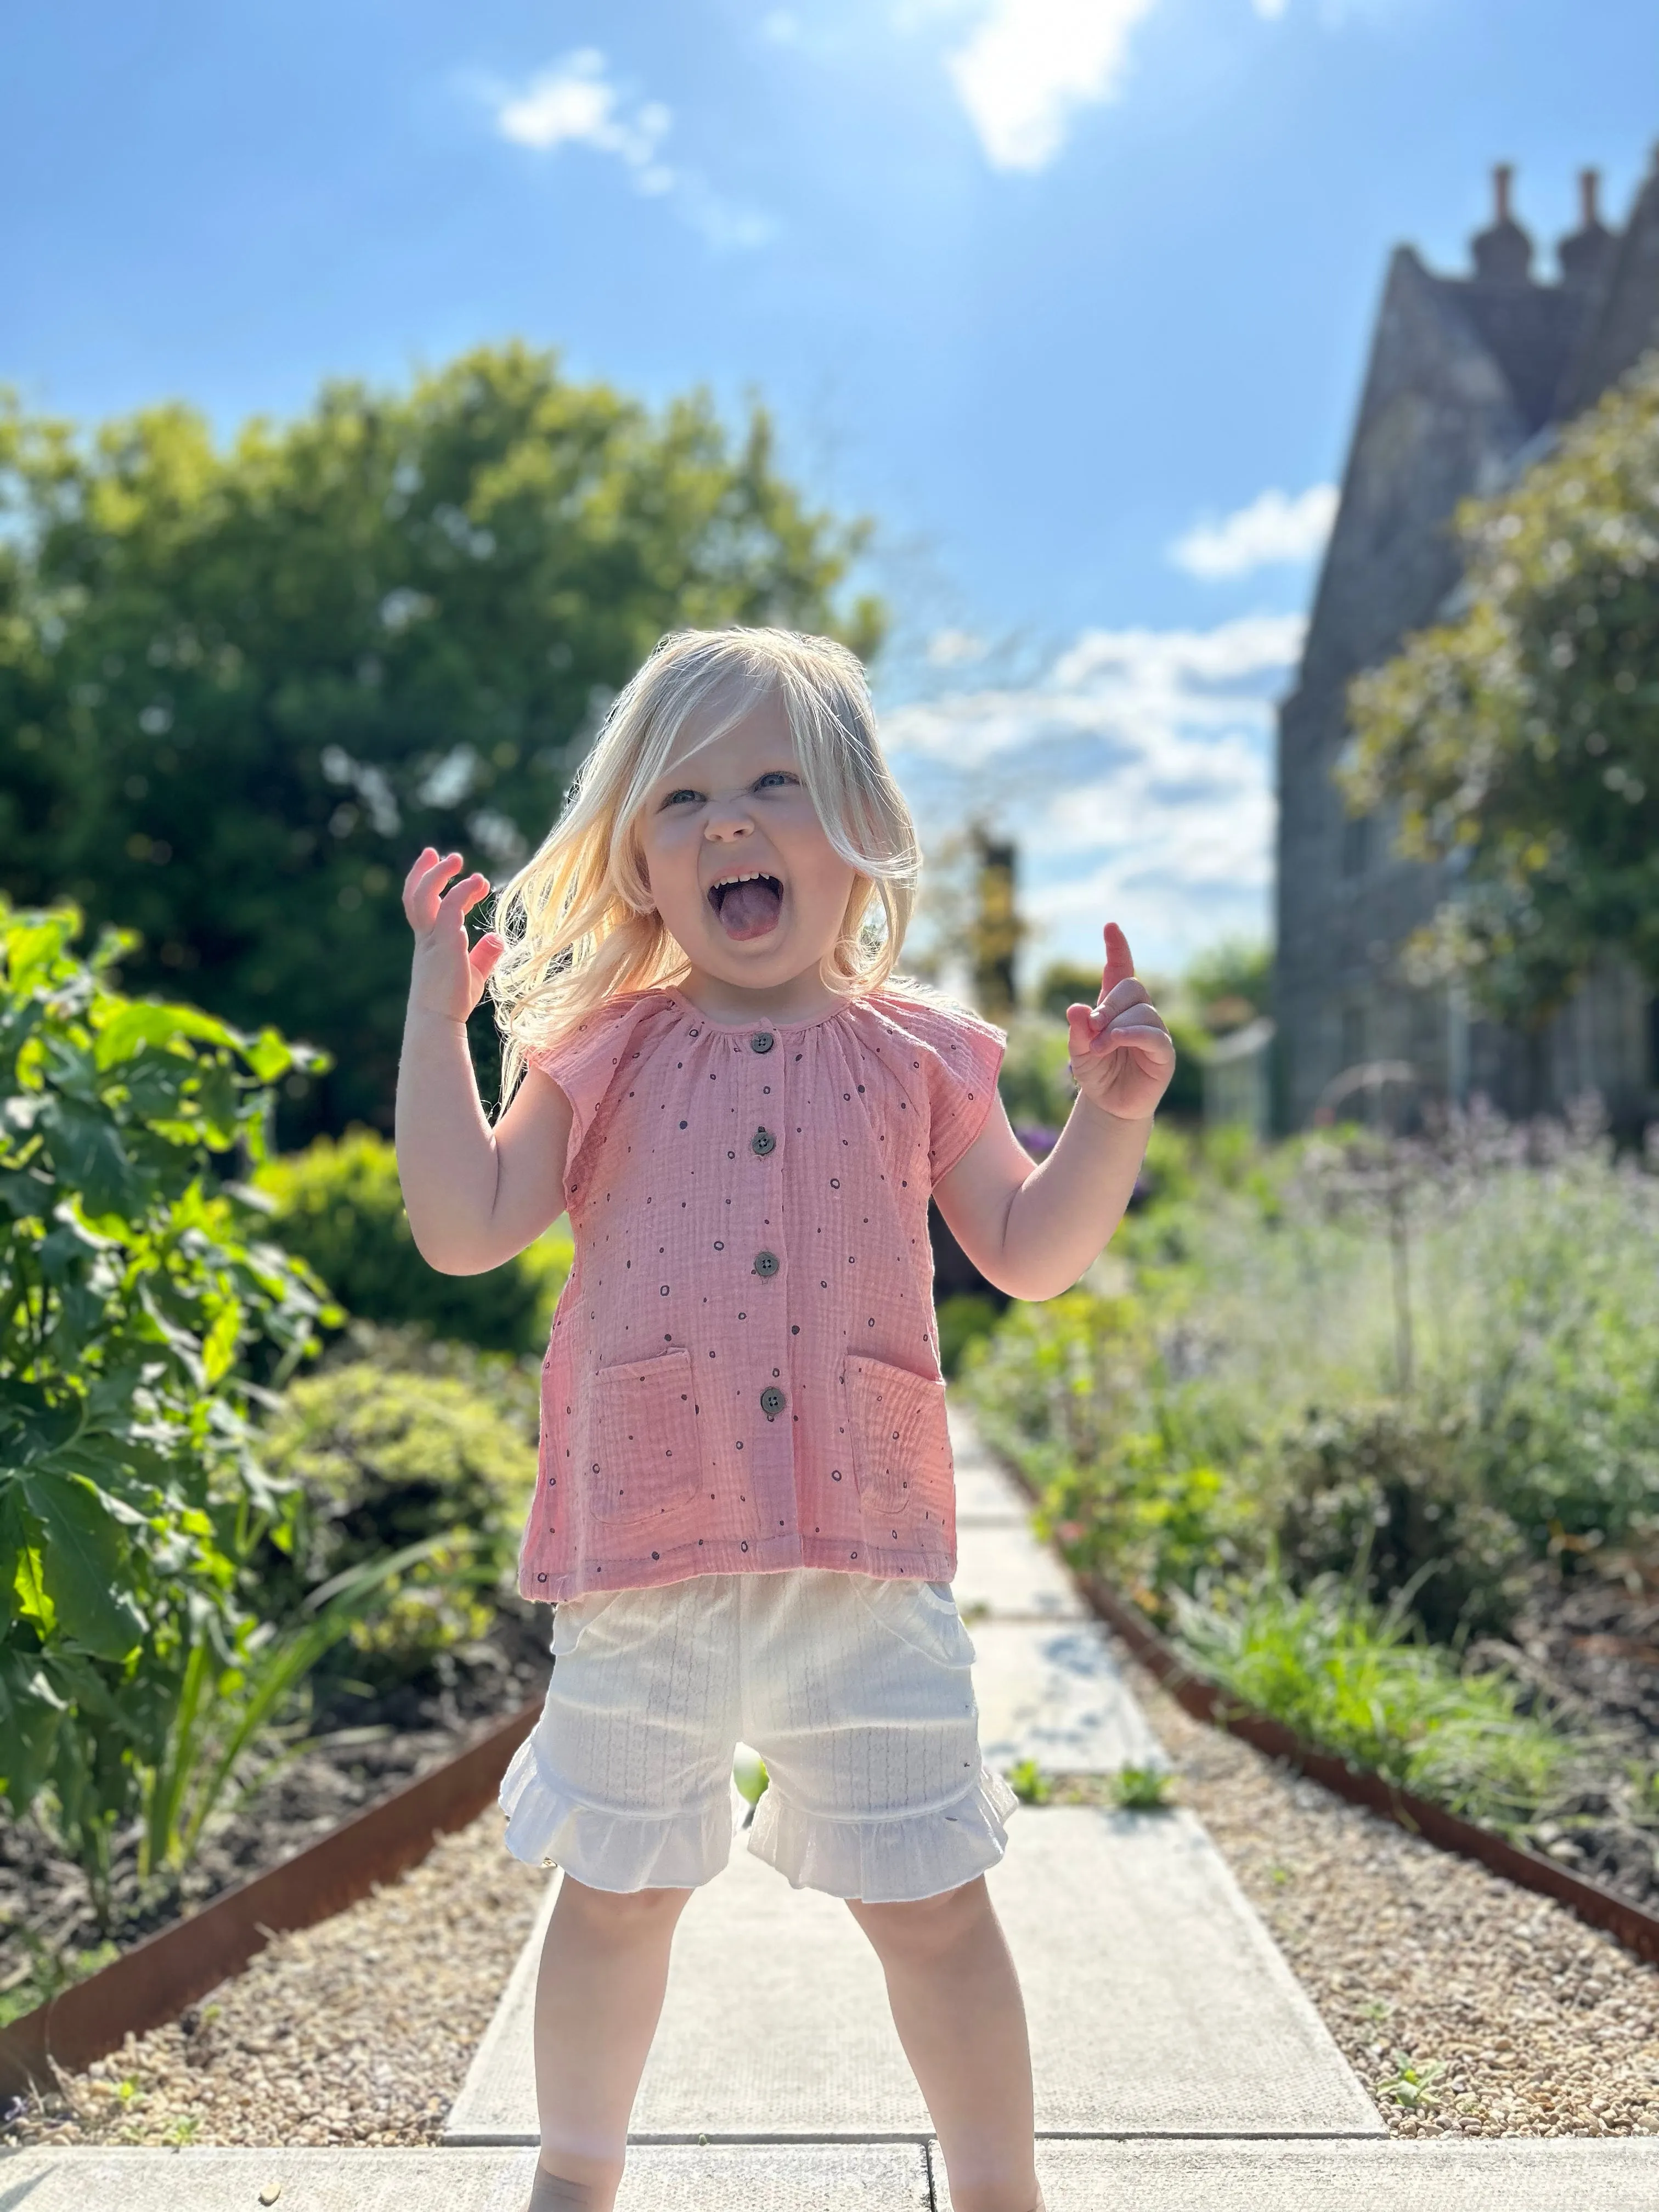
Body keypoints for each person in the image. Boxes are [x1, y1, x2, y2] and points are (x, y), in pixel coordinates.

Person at [395, 627, 1175, 2212]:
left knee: (938, 1906)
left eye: (775, 784)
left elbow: (1031, 1256)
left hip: (862, 1561)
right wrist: (440, 1004)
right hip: (646, 1556)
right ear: (638, 861)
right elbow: (465, 1221)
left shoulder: (924, 1056)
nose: (731, 822)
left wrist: (1109, 1121)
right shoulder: (600, 1052)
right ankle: (575, 2178)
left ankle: (1000, 2191)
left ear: (862, 825)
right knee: (614, 1897)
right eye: (683, 799)